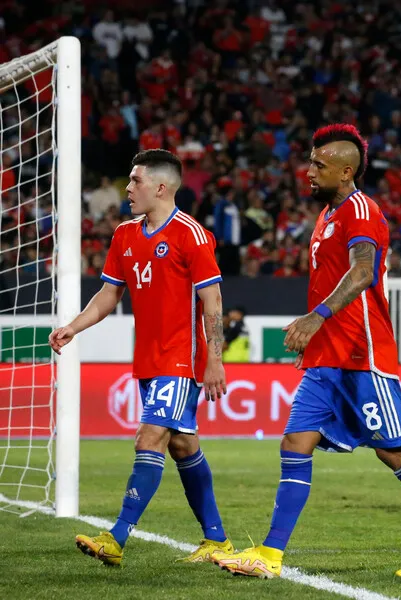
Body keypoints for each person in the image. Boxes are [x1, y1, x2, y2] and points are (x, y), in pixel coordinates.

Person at [215, 124, 401, 579]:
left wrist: (315, 317)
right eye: (309, 162)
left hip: (362, 353)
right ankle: (270, 554)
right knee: (294, 443)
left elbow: (363, 272)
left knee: (394, 453)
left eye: (318, 165)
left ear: (346, 171)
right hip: (326, 357)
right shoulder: (327, 215)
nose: (308, 171)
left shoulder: (360, 211)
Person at [50, 149, 233, 565]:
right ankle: (217, 540)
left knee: (148, 439)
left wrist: (215, 360)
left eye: (135, 181)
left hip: (181, 360)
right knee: (183, 446)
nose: (128, 188)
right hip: (149, 361)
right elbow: (109, 294)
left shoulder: (192, 234)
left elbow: (213, 300)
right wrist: (73, 327)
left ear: (161, 187)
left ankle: (116, 538)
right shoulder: (125, 235)